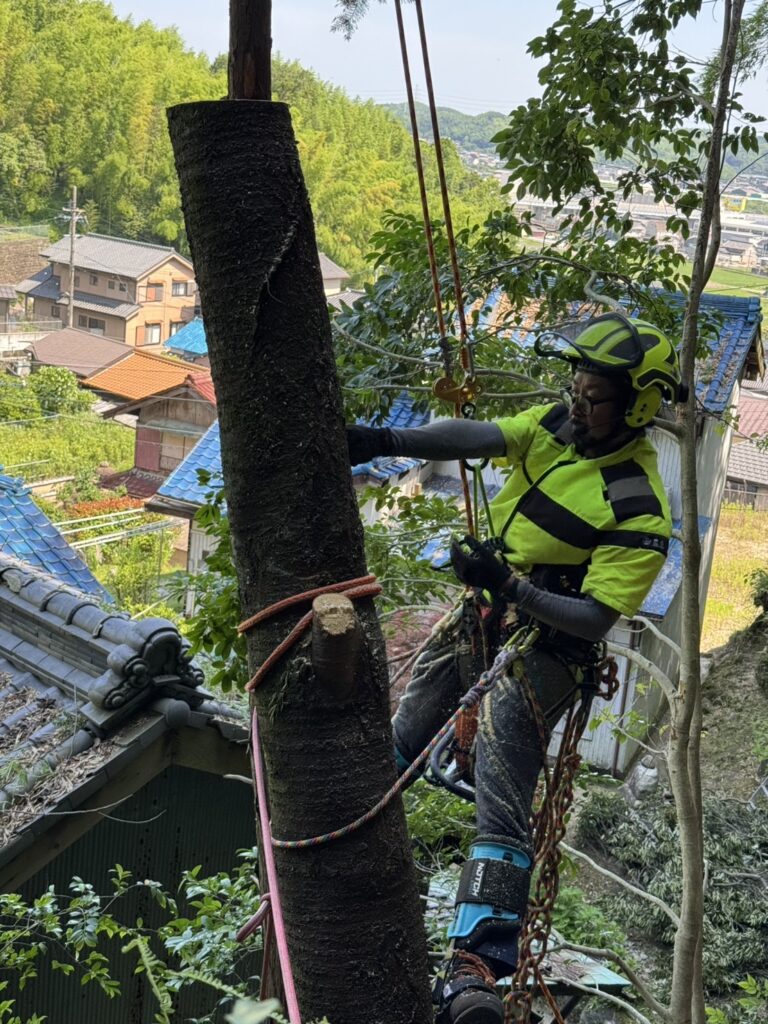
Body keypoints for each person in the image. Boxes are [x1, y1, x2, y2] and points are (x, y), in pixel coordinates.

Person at [346, 313, 681, 1024]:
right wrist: (382, 442)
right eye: (577, 388)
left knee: (501, 775)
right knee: (408, 728)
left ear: (637, 406)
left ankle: (477, 964)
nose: (578, 404)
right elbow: (480, 436)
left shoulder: (637, 502)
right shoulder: (560, 427)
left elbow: (595, 617)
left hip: (551, 647)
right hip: (488, 608)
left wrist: (513, 589)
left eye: (595, 397)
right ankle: (355, 837)